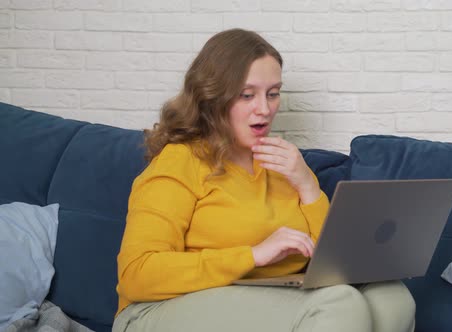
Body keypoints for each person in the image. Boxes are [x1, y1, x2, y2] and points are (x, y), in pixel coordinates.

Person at [113, 28, 415, 332]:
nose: (265, 108)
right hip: (156, 310)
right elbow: (137, 274)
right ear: (211, 97)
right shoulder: (181, 161)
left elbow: (334, 264)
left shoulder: (283, 164)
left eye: (273, 94)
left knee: (391, 298)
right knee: (338, 304)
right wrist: (252, 255)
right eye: (247, 95)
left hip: (260, 297)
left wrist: (308, 185)